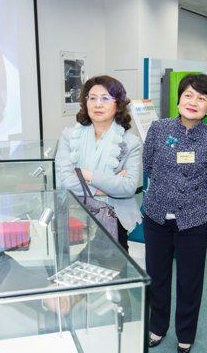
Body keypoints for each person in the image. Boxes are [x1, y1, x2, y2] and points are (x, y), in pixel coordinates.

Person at [143, 74, 207, 353]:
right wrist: (169, 190)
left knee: (190, 278)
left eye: (201, 98)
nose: (193, 102)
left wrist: (186, 194)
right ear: (179, 99)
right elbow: (148, 165)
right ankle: (157, 326)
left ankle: (186, 334)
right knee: (157, 275)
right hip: (156, 214)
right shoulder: (158, 128)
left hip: (193, 218)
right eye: (189, 95)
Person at [55, 75, 142, 250]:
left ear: (118, 104)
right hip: (74, 219)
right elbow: (63, 181)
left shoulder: (131, 143)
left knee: (114, 272)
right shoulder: (69, 136)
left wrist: (87, 175)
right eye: (92, 98)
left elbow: (128, 187)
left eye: (105, 98)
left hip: (114, 219)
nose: (98, 104)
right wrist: (105, 185)